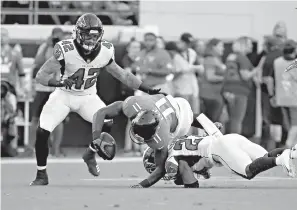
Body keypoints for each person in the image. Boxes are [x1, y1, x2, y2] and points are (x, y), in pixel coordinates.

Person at [30, 13, 161, 186]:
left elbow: (123, 75)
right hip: (63, 95)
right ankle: (41, 174)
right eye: (86, 34)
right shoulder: (65, 49)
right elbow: (40, 76)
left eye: (94, 35)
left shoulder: (105, 50)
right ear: (77, 33)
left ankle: (90, 153)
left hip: (88, 96)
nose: (91, 40)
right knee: (42, 131)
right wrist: (59, 81)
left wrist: (146, 88)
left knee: (107, 122)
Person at [82, 93, 222, 188]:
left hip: (178, 118)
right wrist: (96, 138)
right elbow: (101, 113)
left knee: (175, 161)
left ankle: (197, 166)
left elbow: (161, 169)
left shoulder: (161, 136)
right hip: (166, 102)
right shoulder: (134, 105)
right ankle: (210, 127)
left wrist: (143, 184)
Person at [143, 126, 297, 188]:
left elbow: (191, 182)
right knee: (265, 157)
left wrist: (183, 180)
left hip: (218, 149)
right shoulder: (176, 141)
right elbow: (197, 157)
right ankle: (291, 152)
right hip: (229, 138)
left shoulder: (172, 160)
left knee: (248, 171)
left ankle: (281, 160)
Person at [28, 27, 65, 157]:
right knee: (36, 118)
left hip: (56, 88)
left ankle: (56, 149)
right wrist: (46, 46)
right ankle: (31, 148)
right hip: (42, 87)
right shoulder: (45, 46)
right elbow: (37, 63)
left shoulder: (66, 48)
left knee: (58, 120)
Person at [222, 36, 256, 134]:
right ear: (243, 45)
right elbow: (245, 76)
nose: (251, 46)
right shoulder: (243, 58)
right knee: (237, 120)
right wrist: (256, 70)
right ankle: (235, 144)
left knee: (230, 119)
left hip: (228, 90)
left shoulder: (231, 57)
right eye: (249, 44)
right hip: (239, 91)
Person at [199, 38, 225, 122]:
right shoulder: (210, 59)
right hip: (210, 96)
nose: (223, 48)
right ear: (213, 47)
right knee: (212, 123)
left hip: (216, 95)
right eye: (221, 46)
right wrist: (225, 79)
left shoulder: (216, 59)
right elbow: (210, 77)